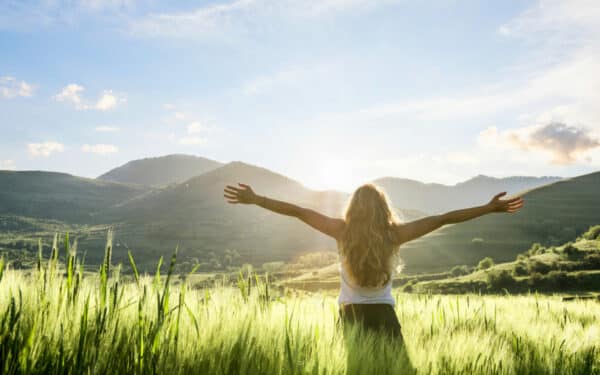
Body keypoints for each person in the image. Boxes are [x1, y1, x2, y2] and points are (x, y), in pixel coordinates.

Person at [223, 182, 524, 369]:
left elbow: (299, 211)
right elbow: (444, 218)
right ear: (383, 209)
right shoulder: (395, 234)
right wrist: (487, 208)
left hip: (350, 316)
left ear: (353, 208)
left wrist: (257, 199)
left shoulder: (340, 231)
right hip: (385, 315)